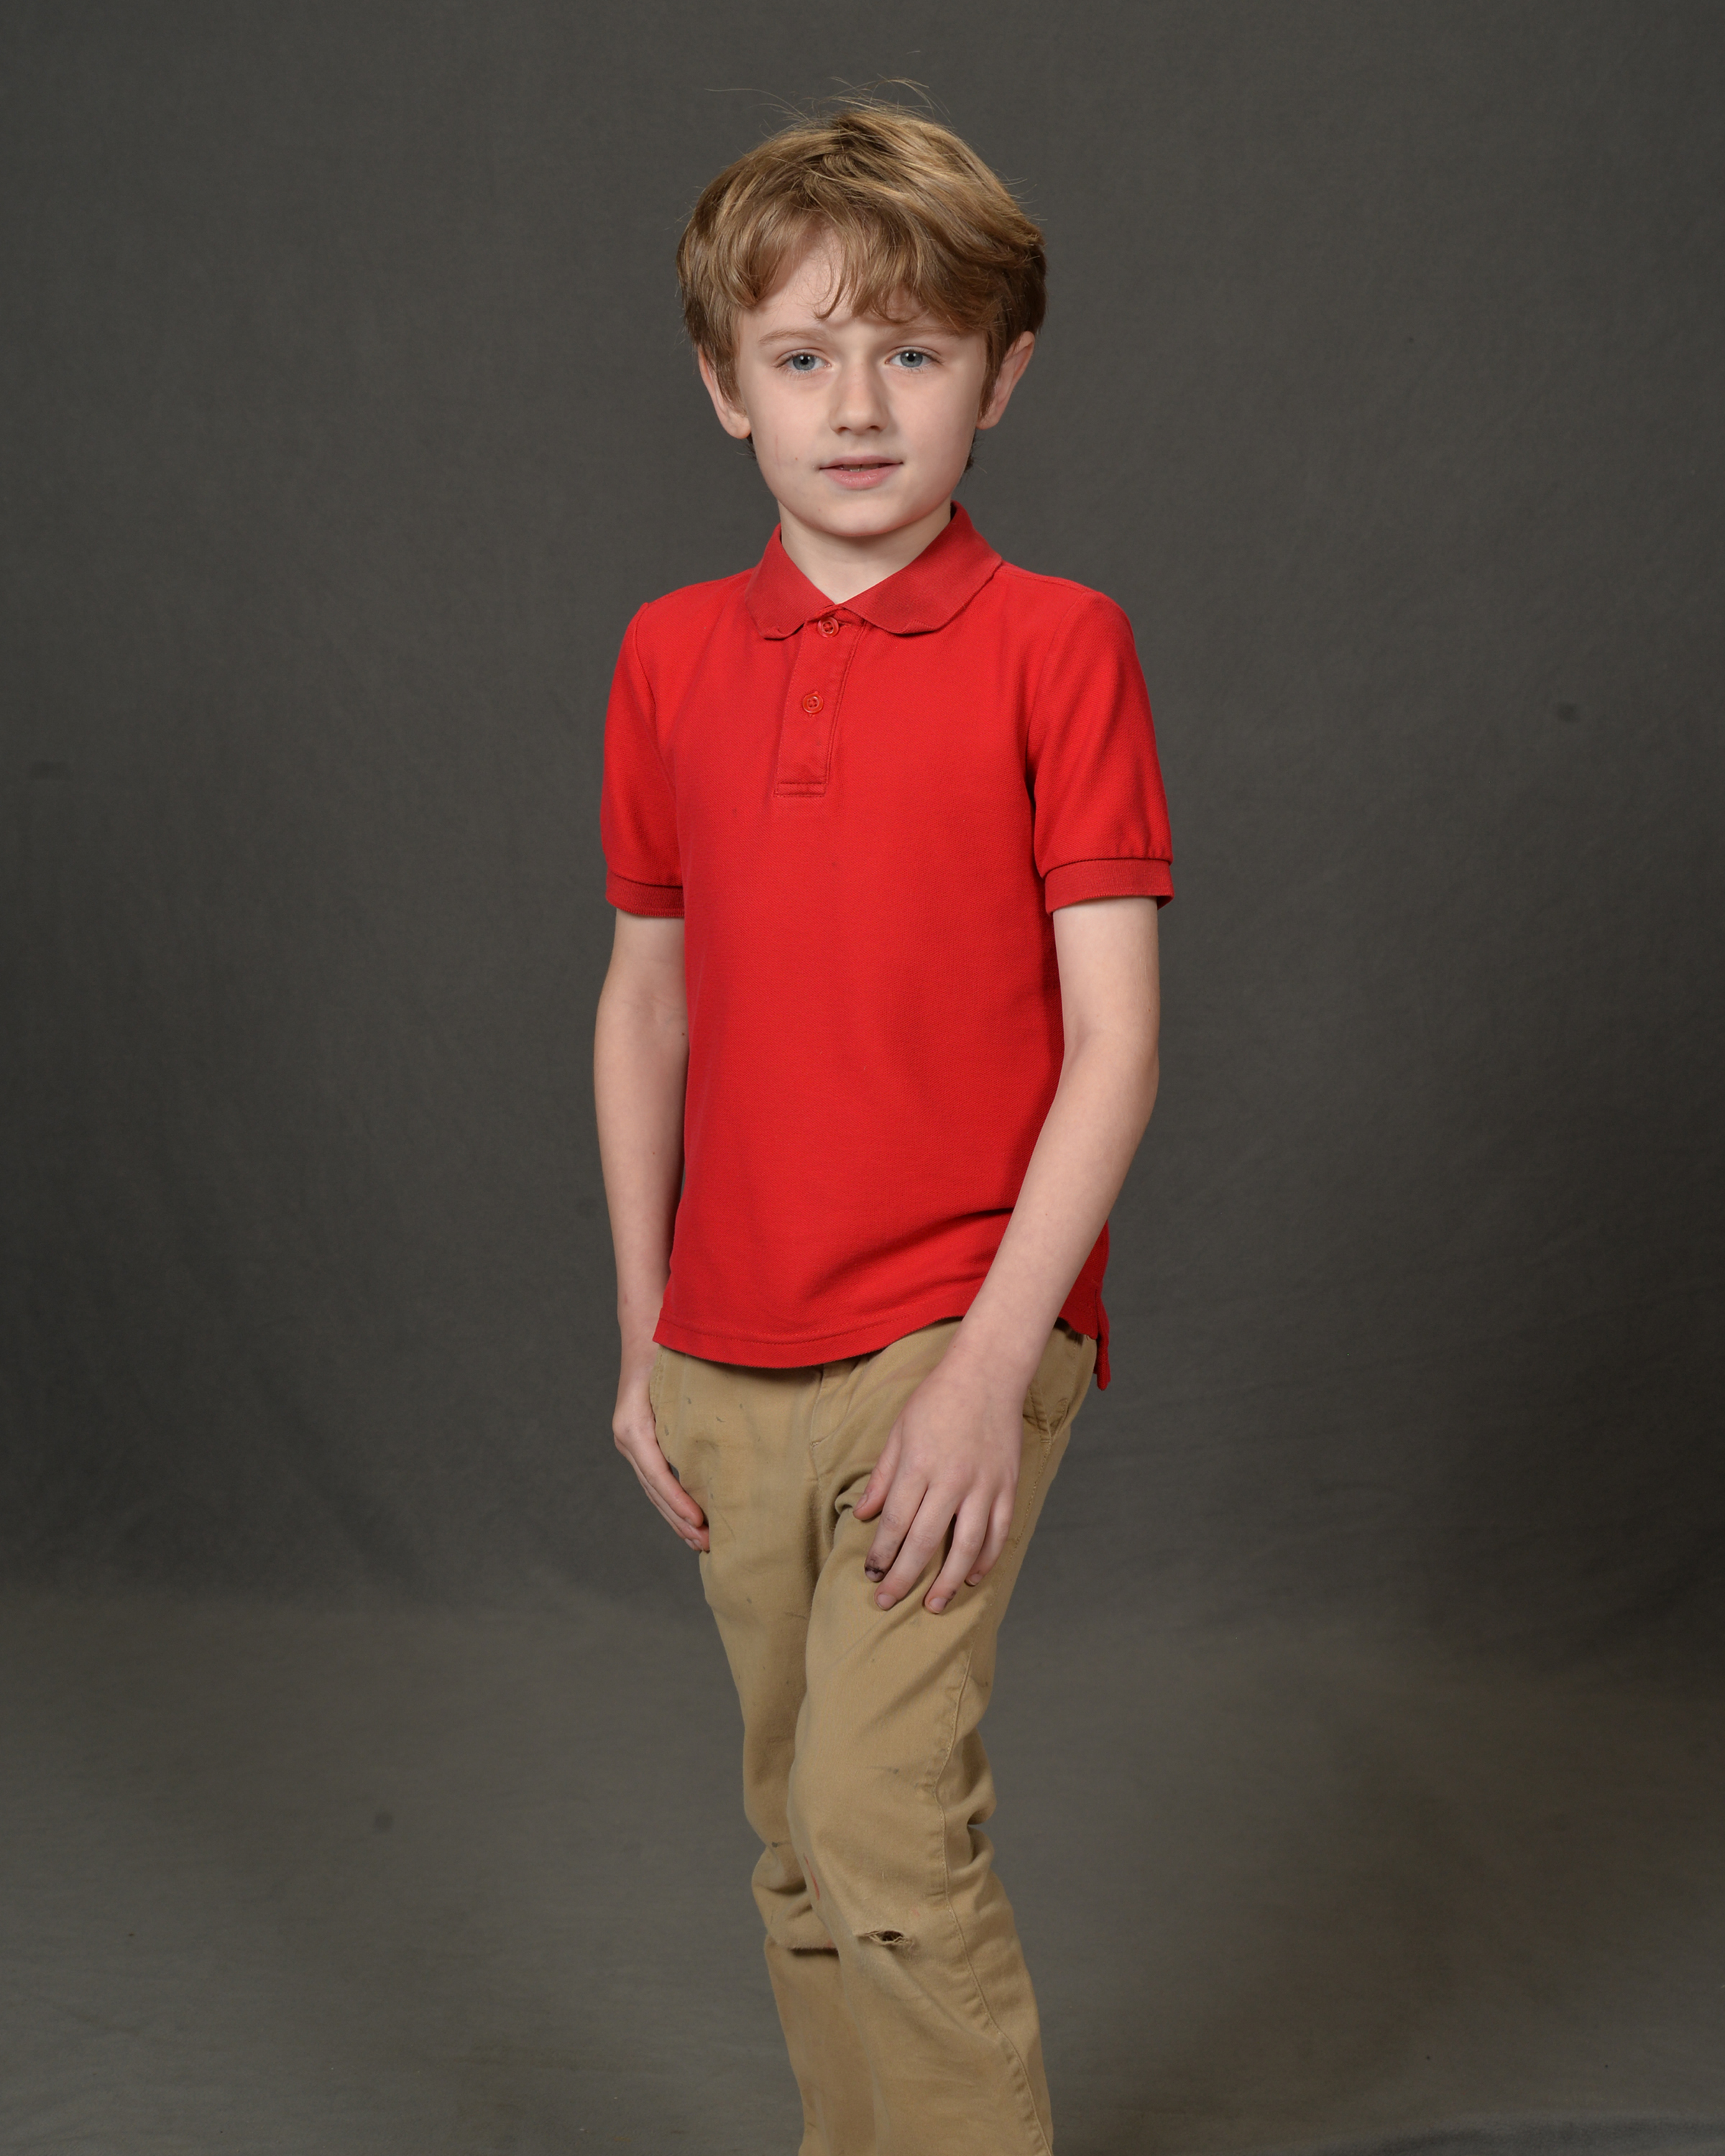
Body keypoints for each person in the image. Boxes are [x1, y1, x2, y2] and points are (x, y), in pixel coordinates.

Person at [594, 102, 1172, 2156]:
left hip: (958, 1322)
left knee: (878, 1813)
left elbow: (1116, 1043)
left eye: (913, 352)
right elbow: (644, 1000)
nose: (857, 406)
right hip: (728, 1341)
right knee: (793, 1827)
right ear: (723, 384)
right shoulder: (669, 656)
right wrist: (643, 1333)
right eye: (804, 355)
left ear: (999, 379)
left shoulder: (1059, 645)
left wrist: (995, 1366)